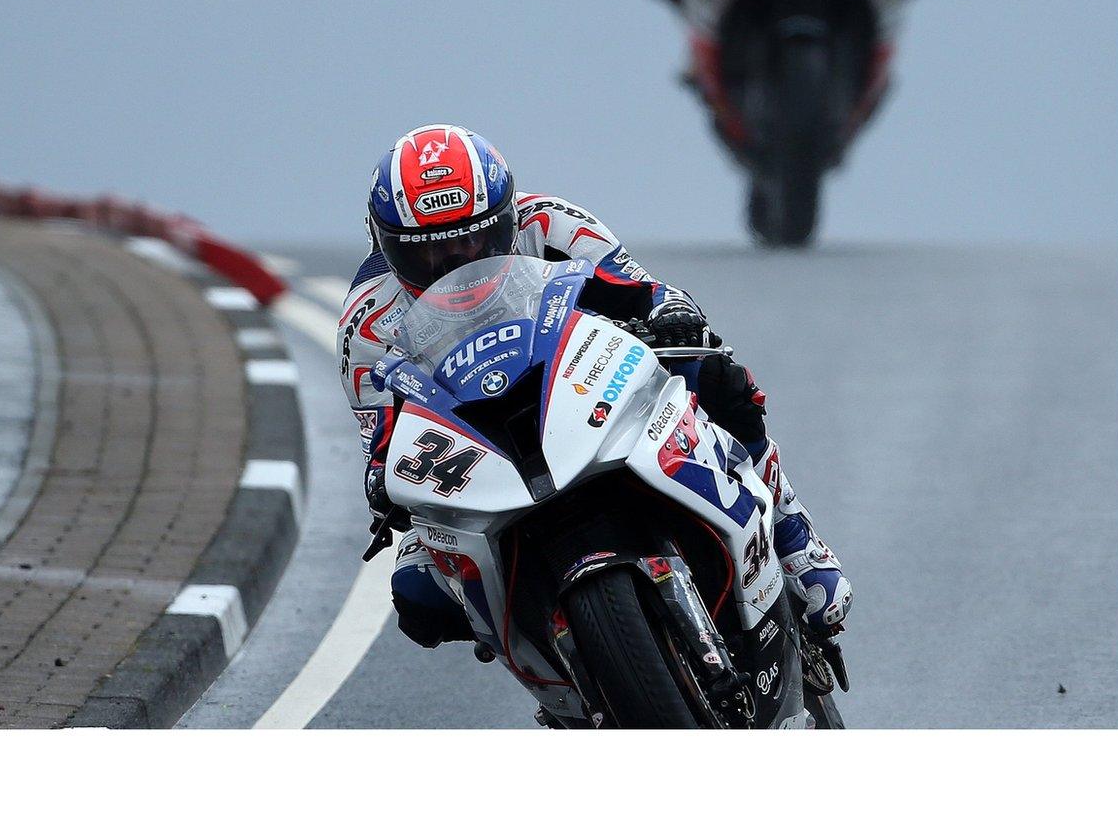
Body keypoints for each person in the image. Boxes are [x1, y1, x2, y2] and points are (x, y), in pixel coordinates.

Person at [336, 124, 852, 656]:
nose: (458, 265)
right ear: (386, 245)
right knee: (419, 598)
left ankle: (794, 540)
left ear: (506, 219)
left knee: (716, 377)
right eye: (429, 255)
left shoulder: (551, 223)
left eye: (473, 240)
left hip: (580, 383)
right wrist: (380, 478)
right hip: (475, 440)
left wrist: (668, 311)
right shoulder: (367, 321)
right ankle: (556, 669)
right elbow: (382, 433)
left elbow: (639, 288)